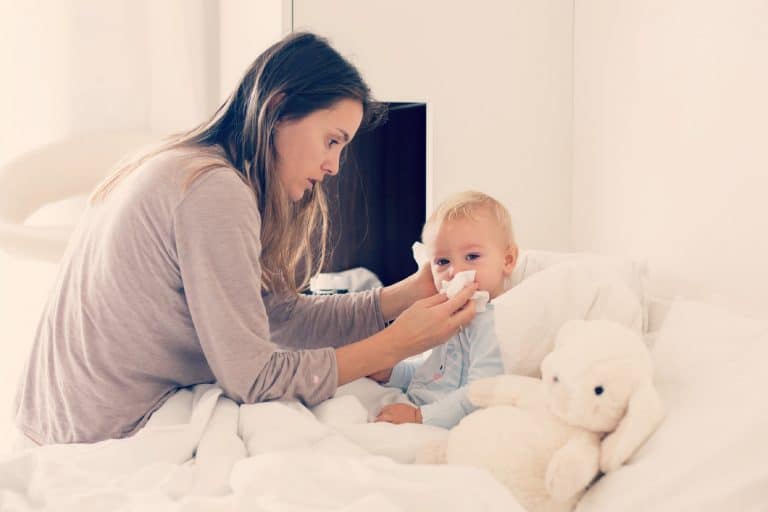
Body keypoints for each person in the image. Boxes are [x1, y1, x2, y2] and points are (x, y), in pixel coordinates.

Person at [13, 32, 478, 445]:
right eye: (332, 141)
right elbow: (253, 378)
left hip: (54, 423)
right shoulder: (214, 190)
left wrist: (401, 298)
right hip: (98, 436)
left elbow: (274, 316)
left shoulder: (187, 162)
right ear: (278, 109)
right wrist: (394, 345)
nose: (335, 166)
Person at [373, 191, 518, 429]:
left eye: (472, 256)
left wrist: (420, 417)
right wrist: (393, 373)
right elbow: (435, 375)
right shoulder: (450, 314)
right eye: (442, 262)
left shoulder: (493, 322)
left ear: (508, 260)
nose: (454, 271)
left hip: (446, 423)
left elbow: (480, 394)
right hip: (418, 405)